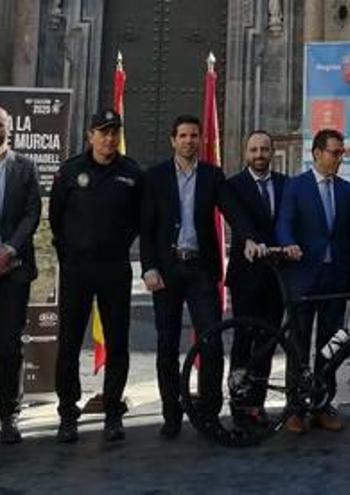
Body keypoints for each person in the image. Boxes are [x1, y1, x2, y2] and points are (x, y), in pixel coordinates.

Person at [140, 115, 263, 439]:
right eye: (183, 135)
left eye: (195, 135)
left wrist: (248, 237)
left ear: (200, 140)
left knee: (210, 344)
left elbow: (232, 209)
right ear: (173, 140)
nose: (189, 141)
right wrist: (148, 267)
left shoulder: (212, 175)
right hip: (166, 272)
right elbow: (147, 227)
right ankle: (171, 415)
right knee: (167, 346)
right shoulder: (155, 177)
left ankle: (209, 414)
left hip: (200, 271)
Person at [48, 109, 143, 443]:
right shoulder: (70, 170)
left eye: (114, 131)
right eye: (103, 132)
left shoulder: (131, 173)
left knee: (118, 343)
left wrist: (117, 246)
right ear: (90, 135)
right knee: (70, 343)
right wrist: (71, 253)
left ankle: (113, 413)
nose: (109, 138)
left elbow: (139, 219)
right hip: (77, 270)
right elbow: (55, 218)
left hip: (115, 269)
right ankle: (68, 415)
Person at [276, 128, 350, 433]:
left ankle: (323, 404)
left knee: (331, 346)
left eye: (342, 153)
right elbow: (284, 224)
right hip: (303, 276)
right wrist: (288, 245)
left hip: (335, 279)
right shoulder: (296, 187)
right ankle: (295, 408)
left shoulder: (347, 190)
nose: (339, 158)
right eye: (335, 152)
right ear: (317, 153)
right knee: (298, 345)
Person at [225, 130, 288, 427]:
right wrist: (251, 238)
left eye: (264, 149)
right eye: (254, 150)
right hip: (246, 275)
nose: (259, 155)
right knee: (244, 338)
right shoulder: (233, 186)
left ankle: (257, 404)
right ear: (245, 153)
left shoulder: (286, 184)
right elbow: (239, 219)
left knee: (268, 340)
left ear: (272, 152)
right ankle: (238, 403)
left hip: (277, 276)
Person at [0, 106, 40, 445]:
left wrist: (9, 249)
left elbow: (32, 213)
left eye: (0, 124)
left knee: (10, 345)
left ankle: (8, 415)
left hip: (13, 269)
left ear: (9, 129)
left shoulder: (25, 168)